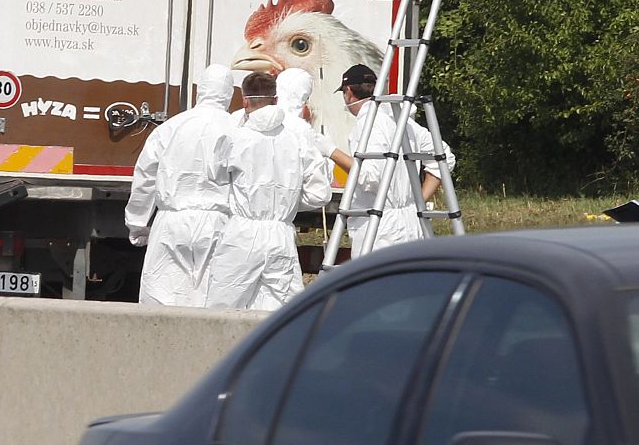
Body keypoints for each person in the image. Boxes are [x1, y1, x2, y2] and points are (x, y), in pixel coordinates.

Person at [205, 71, 333, 311]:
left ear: (244, 100)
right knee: (281, 313)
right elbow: (320, 194)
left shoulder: (234, 137)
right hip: (280, 233)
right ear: (275, 99)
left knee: (221, 310)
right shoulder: (297, 139)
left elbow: (214, 178)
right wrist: (289, 201)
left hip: (241, 232)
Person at [125, 63, 239, 306]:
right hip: (220, 222)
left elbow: (145, 178)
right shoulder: (238, 130)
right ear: (229, 94)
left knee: (162, 295)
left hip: (171, 221)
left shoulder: (169, 128)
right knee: (211, 298)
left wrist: (137, 223)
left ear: (200, 91)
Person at [328, 63, 455, 252]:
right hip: (411, 222)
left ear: (348, 92)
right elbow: (444, 157)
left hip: (378, 229)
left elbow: (370, 178)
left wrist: (332, 152)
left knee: (375, 281)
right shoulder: (401, 121)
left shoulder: (367, 124)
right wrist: (419, 200)